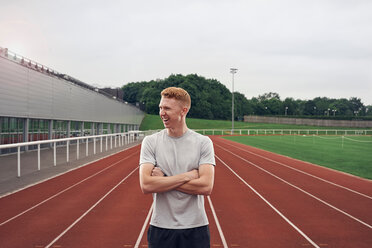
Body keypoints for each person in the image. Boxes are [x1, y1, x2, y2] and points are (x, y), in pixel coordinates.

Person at [139, 87, 215, 248]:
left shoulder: (203, 143)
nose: (162, 113)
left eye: (167, 108)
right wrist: (187, 176)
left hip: (196, 228)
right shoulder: (151, 142)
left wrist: (163, 180)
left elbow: (206, 186)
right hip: (161, 228)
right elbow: (146, 185)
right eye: (160, 108)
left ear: (183, 111)